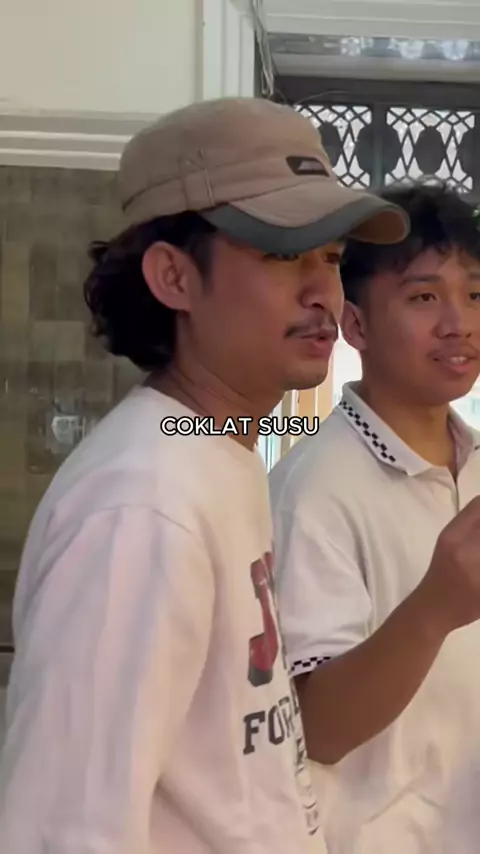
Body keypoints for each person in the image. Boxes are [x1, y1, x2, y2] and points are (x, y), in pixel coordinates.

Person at [0, 96, 409, 854]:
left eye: (331, 257)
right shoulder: (141, 505)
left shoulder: (215, 454)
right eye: (283, 255)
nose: (323, 292)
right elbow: (64, 830)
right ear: (174, 277)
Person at [269, 181, 480, 854]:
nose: (459, 323)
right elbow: (317, 730)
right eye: (424, 298)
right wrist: (434, 609)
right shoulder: (313, 491)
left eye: (475, 294)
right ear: (355, 326)